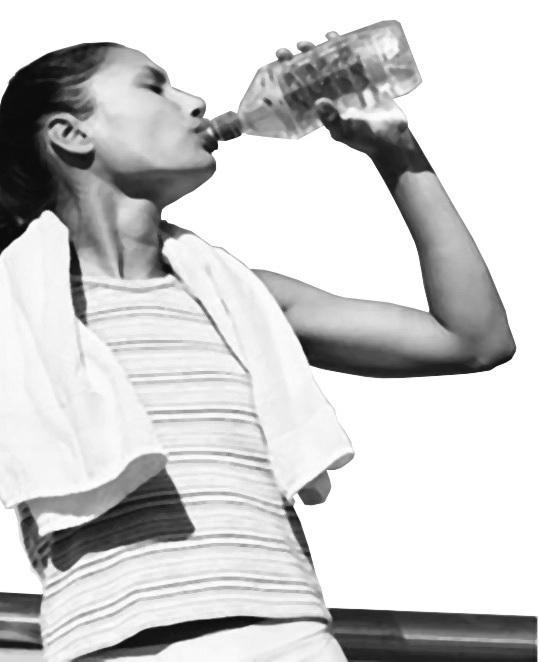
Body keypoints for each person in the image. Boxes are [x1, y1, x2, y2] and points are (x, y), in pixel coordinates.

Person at [0, 40, 515, 662]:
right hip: (118, 648)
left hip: (290, 640)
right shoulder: (17, 307)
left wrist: (397, 154)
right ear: (70, 134)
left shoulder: (240, 298)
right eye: (154, 86)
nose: (194, 103)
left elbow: (474, 339)